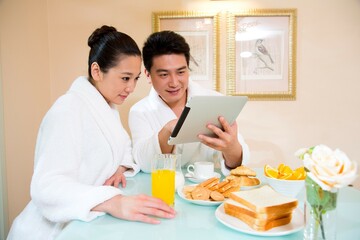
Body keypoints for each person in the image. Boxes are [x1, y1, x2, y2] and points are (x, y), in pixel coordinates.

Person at [7, 26, 175, 240]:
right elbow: (46, 187)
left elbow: (124, 147)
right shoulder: (68, 109)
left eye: (135, 79)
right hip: (50, 230)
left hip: (85, 223)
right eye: (125, 78)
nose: (131, 87)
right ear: (96, 71)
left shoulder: (107, 107)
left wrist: (121, 167)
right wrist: (113, 201)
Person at [129, 31, 250, 175]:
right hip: (161, 191)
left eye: (180, 72)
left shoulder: (214, 101)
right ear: (148, 75)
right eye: (164, 75)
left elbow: (239, 165)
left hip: (206, 191)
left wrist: (231, 148)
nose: (174, 83)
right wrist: (167, 130)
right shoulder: (139, 111)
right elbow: (144, 163)